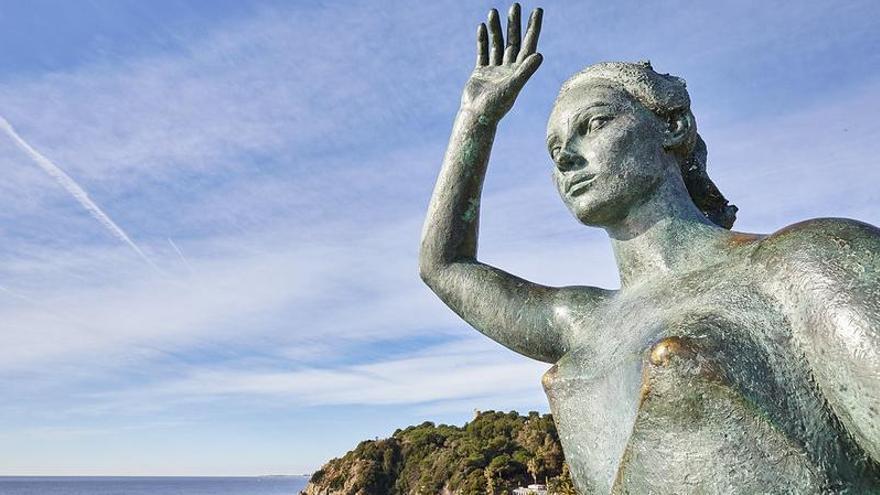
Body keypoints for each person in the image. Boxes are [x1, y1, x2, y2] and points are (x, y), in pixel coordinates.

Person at [419, 4, 880, 493]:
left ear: (673, 125)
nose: (568, 158)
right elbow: (443, 266)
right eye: (555, 152)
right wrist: (476, 118)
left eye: (593, 125)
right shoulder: (583, 321)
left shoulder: (805, 260)